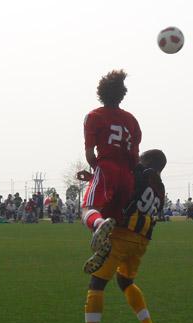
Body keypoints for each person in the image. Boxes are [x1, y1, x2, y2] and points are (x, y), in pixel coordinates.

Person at [71, 149, 166, 323]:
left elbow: (122, 185)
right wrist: (91, 178)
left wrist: (97, 175)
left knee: (97, 283)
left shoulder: (139, 170)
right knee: (125, 281)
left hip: (122, 233)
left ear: (146, 161)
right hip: (142, 240)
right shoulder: (160, 187)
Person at [79, 69, 142, 258]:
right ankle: (105, 253)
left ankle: (98, 225)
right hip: (127, 176)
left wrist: (96, 173)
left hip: (107, 168)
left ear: (100, 93)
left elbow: (90, 155)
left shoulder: (94, 116)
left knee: (88, 210)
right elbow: (135, 157)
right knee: (112, 220)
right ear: (122, 95)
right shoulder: (132, 120)